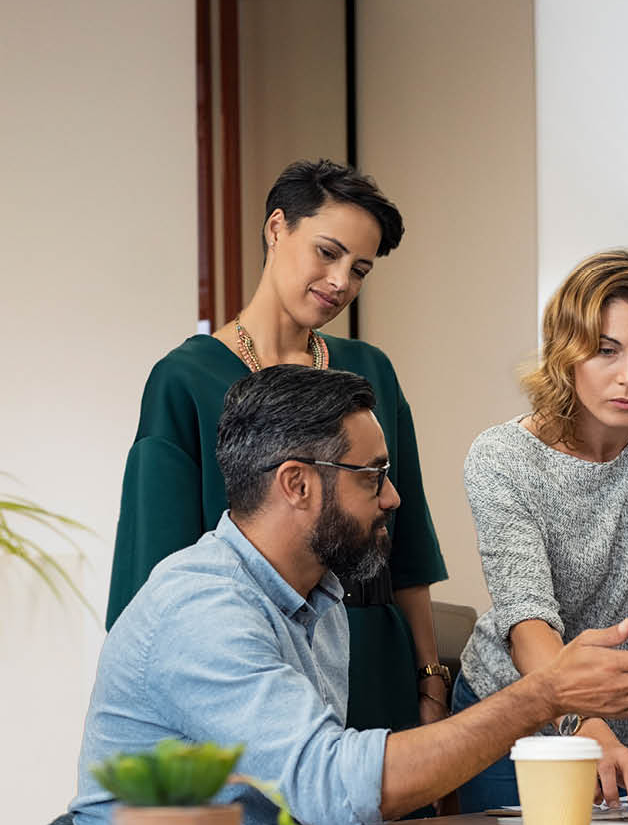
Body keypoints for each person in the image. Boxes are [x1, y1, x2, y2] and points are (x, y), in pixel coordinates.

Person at [70, 367, 628, 825]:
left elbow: (316, 803)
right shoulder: (200, 607)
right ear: (297, 484)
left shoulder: (321, 597)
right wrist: (542, 694)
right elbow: (331, 786)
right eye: (373, 476)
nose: (392, 497)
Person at [106, 159, 448, 736]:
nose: (341, 281)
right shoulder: (186, 379)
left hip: (374, 661)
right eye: (327, 252)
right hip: (248, 667)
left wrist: (431, 678)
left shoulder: (371, 373)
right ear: (276, 228)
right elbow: (152, 574)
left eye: (360, 268)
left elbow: (404, 542)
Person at [454, 249, 628, 814]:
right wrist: (587, 727)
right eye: (606, 351)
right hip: (520, 719)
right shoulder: (503, 458)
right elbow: (528, 621)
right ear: (567, 351)